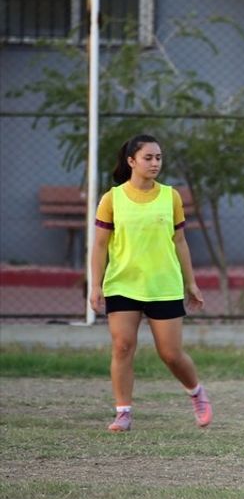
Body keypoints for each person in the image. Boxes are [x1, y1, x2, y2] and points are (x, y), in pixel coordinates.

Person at [88, 135, 209, 432]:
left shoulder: (171, 197)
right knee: (122, 346)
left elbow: (180, 241)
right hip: (123, 284)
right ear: (131, 161)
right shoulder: (111, 199)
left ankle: (197, 393)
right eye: (148, 158)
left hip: (163, 285)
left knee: (170, 353)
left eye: (158, 158)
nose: (155, 163)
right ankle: (123, 412)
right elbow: (100, 245)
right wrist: (96, 285)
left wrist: (190, 282)